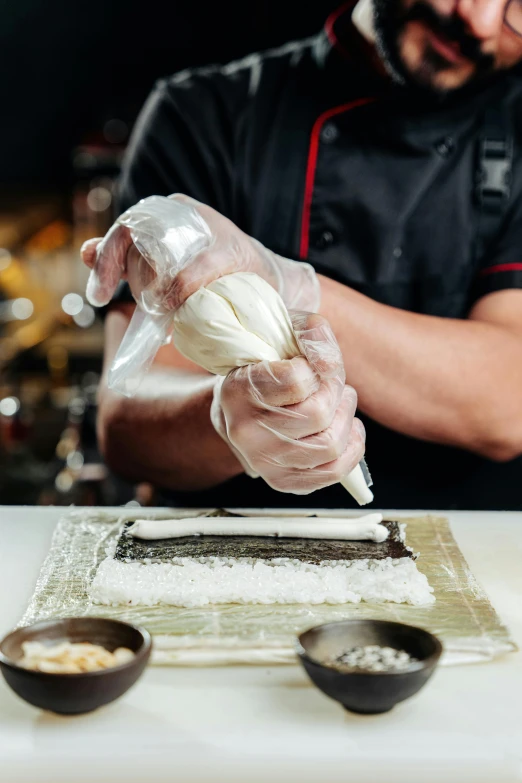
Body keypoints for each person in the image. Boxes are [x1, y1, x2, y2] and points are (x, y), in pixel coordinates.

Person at [82, 0, 522, 510]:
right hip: (227, 555)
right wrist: (227, 419)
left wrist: (283, 281)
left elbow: (509, 402)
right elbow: (127, 425)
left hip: (470, 560)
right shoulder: (205, 115)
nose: (481, 21)